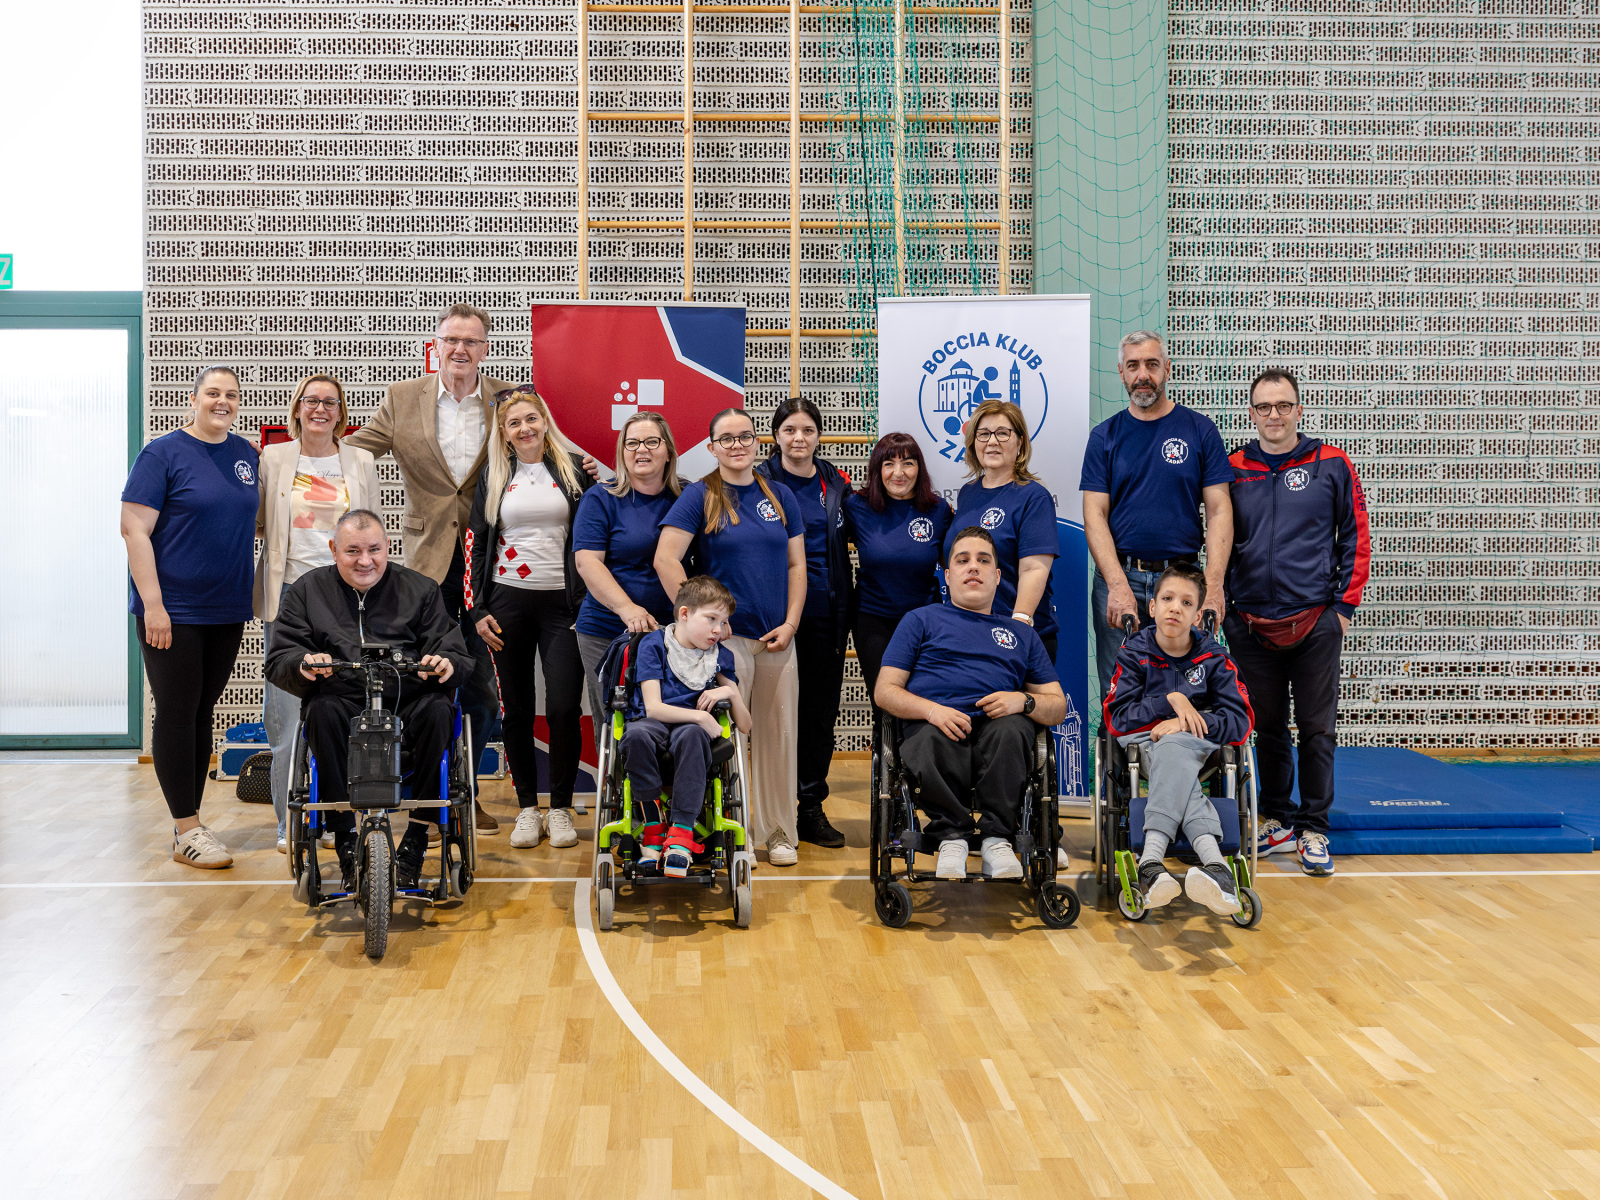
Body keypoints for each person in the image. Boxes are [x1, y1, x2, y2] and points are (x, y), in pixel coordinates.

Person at [344, 302, 509, 834]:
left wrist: (585, 464)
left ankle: (464, 793)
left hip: (488, 566)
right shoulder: (402, 398)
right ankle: (422, 796)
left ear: (485, 349)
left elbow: (541, 447)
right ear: (435, 346)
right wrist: (300, 460)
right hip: (424, 566)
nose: (460, 349)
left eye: (471, 341)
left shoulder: (506, 398)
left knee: (482, 692)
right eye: (451, 340)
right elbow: (355, 453)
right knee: (419, 687)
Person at [264, 510, 474, 891]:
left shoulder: (421, 590)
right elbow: (280, 659)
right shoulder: (307, 592)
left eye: (374, 550)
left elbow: (454, 653)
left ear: (387, 547)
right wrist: (303, 664)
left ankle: (416, 838)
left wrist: (445, 664)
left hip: (407, 702)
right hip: (342, 702)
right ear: (333, 550)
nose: (365, 561)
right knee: (320, 712)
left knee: (440, 711)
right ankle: (345, 840)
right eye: (353, 551)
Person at [1225, 369, 1370, 877]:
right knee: (1266, 728)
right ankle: (1278, 818)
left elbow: (1356, 535)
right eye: (1264, 407)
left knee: (1316, 729)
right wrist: (1226, 608)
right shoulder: (1232, 468)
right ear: (1251, 413)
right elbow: (1216, 538)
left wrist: (1343, 609)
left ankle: (1314, 829)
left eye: (1283, 405)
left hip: (1315, 622)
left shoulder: (1332, 463)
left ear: (1299, 410)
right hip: (1249, 625)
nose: (1274, 415)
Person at [121, 366, 259, 870]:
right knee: (178, 712)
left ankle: (193, 821)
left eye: (231, 395)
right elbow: (133, 530)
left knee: (203, 712)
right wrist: (153, 604)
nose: (222, 402)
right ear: (194, 398)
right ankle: (186, 830)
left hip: (226, 608)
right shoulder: (163, 453)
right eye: (213, 393)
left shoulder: (246, 455)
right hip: (172, 610)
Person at [656, 408, 806, 867]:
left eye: (745, 436)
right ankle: (734, 835)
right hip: (725, 645)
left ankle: (778, 833)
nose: (737, 445)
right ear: (712, 447)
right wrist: (699, 624)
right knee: (728, 740)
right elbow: (666, 559)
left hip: (777, 639)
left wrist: (791, 623)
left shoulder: (779, 494)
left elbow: (797, 565)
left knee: (779, 739)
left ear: (758, 442)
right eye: (726, 438)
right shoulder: (699, 495)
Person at [874, 527, 1068, 882]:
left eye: (983, 560)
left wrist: (1023, 700)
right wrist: (932, 710)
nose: (973, 567)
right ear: (948, 576)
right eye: (963, 561)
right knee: (928, 737)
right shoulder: (920, 620)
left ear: (998, 576)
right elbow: (885, 691)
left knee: (1013, 730)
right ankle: (952, 838)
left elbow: (1056, 707)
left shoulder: (1023, 634)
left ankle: (997, 840)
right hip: (936, 723)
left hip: (998, 728)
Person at [255, 374, 381, 853]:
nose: (320, 409)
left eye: (330, 402)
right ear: (297, 408)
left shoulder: (361, 460)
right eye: (311, 401)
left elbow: (369, 530)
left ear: (341, 412)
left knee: (345, 708)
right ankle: (289, 822)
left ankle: (340, 816)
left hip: (346, 595)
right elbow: (261, 521)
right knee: (286, 714)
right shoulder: (274, 458)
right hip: (290, 593)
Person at [465, 386, 594, 851]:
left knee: (562, 708)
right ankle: (526, 808)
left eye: (531, 419)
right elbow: (476, 545)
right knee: (516, 710)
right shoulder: (494, 475)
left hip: (564, 606)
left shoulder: (575, 469)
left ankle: (559, 807)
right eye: (514, 423)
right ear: (503, 432)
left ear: (544, 422)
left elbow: (597, 533)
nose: (524, 428)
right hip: (507, 605)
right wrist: (477, 610)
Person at [1080, 330, 1234, 695]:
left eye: (1151, 364)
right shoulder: (1104, 436)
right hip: (1121, 579)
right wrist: (1117, 585)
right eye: (1133, 366)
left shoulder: (1200, 430)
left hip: (1183, 581)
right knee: (1120, 692)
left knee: (1187, 691)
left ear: (1167, 368)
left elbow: (1219, 511)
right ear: (1121, 372)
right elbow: (1094, 515)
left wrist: (1213, 586)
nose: (1142, 375)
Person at [1103, 562, 1255, 915]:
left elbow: (1241, 720)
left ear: (1198, 615)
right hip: (1142, 743)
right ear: (1152, 606)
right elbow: (1116, 717)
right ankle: (1216, 866)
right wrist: (1170, 701)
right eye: (1167, 599)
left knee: (1174, 747)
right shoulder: (1133, 654)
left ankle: (1150, 862)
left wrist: (1189, 723)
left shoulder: (1215, 659)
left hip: (1199, 743)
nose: (1175, 608)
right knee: (1173, 757)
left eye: (1187, 603)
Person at [754, 398, 853, 849]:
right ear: (775, 436)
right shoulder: (756, 480)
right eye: (790, 430)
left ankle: (810, 808)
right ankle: (762, 812)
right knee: (769, 719)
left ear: (818, 435)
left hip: (824, 617)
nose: (799, 438)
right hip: (769, 615)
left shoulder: (836, 483)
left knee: (818, 718)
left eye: (808, 430)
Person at [620, 575, 752, 877]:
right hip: (653, 722)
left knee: (693, 735)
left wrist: (730, 692)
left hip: (688, 733)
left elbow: (745, 725)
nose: (719, 630)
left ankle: (681, 834)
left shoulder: (720, 656)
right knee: (636, 734)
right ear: (684, 613)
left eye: (724, 622)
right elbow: (653, 708)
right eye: (711, 619)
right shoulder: (654, 645)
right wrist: (700, 716)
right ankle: (653, 825)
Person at [573, 412, 683, 752]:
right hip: (606, 631)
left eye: (651, 441)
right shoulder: (600, 498)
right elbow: (587, 562)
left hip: (672, 634)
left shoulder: (687, 497)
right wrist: (627, 609)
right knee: (614, 727)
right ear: (622, 452)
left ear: (668, 451)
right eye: (632, 443)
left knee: (668, 724)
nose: (641, 450)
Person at [944, 399, 1061, 657]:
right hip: (968, 633)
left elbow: (1033, 570)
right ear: (973, 443)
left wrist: (1018, 627)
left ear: (1020, 443)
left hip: (1016, 637)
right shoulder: (967, 493)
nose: (992, 442)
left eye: (1002, 433)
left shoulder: (1034, 497)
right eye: (984, 434)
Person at [844, 432, 954, 706]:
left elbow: (953, 565)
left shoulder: (939, 510)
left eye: (907, 463)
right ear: (877, 470)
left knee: (924, 700)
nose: (898, 473)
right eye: (889, 464)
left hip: (925, 622)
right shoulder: (856, 507)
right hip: (873, 621)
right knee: (884, 703)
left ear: (919, 468)